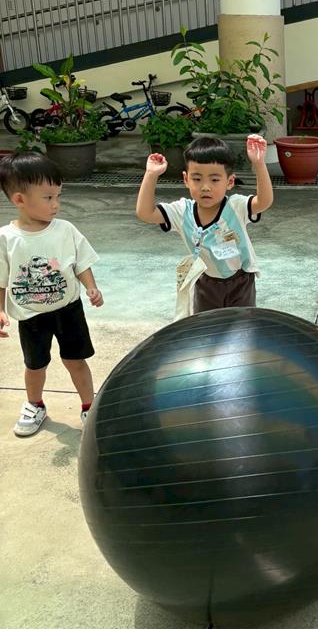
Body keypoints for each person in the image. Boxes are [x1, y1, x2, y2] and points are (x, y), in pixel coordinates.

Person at [0, 152, 103, 437]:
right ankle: (35, 404)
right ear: (19, 199)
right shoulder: (6, 238)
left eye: (58, 196)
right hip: (30, 316)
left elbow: (81, 262)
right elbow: (1, 278)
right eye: (48, 198)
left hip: (68, 310)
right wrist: (0, 309)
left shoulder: (65, 230)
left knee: (76, 361)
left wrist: (91, 287)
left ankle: (89, 406)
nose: (56, 204)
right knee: (35, 365)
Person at [136, 134, 272, 314]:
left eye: (214, 180)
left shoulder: (235, 207)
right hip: (204, 282)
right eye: (197, 179)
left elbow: (263, 202)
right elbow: (145, 213)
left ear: (230, 182)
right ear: (186, 179)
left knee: (241, 326)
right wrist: (151, 174)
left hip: (240, 282)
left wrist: (259, 164)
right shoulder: (182, 211)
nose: (205, 187)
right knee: (205, 327)